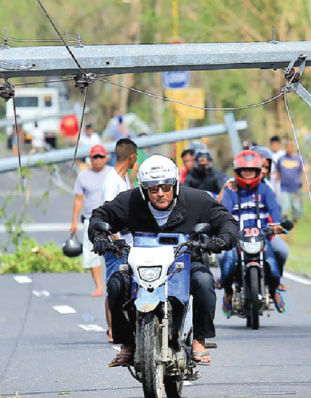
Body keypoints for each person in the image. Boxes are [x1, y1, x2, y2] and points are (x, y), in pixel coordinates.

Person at [89, 155, 238, 367]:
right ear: (144, 190)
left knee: (205, 282)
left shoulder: (197, 199)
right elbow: (100, 216)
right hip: (140, 265)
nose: (160, 193)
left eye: (166, 187)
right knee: (115, 285)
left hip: (184, 262)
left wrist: (222, 239)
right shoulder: (129, 201)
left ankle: (199, 339)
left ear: (175, 185)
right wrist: (100, 237)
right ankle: (127, 344)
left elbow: (226, 220)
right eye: (153, 189)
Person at [219, 150, 286, 315]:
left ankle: (273, 289)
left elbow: (274, 209)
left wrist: (278, 225)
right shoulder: (231, 190)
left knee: (274, 265)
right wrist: (223, 227)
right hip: (236, 238)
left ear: (258, 172)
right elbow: (224, 211)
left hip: (261, 237)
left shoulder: (265, 189)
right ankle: (228, 292)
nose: (248, 175)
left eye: (251, 171)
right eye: (244, 171)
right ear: (238, 172)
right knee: (226, 264)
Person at [100, 138, 138, 342]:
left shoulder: (123, 180)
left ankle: (124, 326)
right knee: (114, 287)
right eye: (136, 157)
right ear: (131, 156)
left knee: (127, 286)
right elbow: (108, 215)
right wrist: (116, 242)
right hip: (116, 245)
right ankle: (113, 330)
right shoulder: (111, 181)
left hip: (127, 241)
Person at [70, 144, 111, 298]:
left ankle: (112, 283)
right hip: (90, 220)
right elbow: (78, 199)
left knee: (115, 252)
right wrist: (74, 221)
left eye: (101, 156)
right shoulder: (83, 176)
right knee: (92, 254)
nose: (98, 160)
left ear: (105, 158)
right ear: (91, 159)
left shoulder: (112, 173)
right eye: (95, 157)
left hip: (111, 220)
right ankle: (99, 286)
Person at [274, 138, 305, 223]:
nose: (289, 148)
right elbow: (277, 173)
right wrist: (276, 187)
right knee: (285, 207)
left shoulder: (299, 159)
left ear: (294, 147)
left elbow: (305, 173)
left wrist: (306, 186)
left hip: (296, 188)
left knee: (297, 208)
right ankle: (285, 225)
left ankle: (295, 225)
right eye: (287, 146)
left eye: (291, 146)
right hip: (284, 188)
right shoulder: (281, 159)